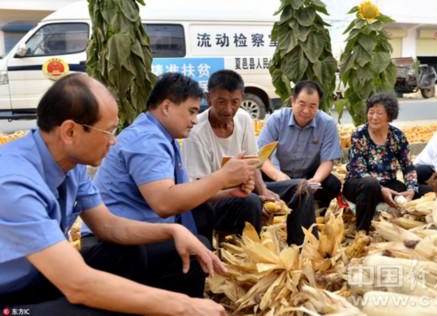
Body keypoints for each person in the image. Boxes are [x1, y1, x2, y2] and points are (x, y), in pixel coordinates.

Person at [0, 73, 227, 315]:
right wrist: (183, 306)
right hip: (11, 296)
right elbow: (78, 285)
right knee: (95, 309)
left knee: (136, 253)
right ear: (70, 132)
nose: (114, 141)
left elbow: (107, 226)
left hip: (43, 277)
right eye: (108, 131)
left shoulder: (71, 165)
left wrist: (173, 230)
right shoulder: (13, 184)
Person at [83, 72, 258, 243]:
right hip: (118, 238)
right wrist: (223, 177)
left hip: (146, 228)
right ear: (166, 107)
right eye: (191, 112)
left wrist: (229, 191)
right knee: (196, 253)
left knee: (240, 203)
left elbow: (183, 191)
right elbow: (165, 204)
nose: (195, 120)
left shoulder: (163, 137)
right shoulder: (146, 140)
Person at [181, 70, 317, 245]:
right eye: (221, 102)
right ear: (208, 98)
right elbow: (198, 190)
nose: (228, 109)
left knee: (301, 188)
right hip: (213, 200)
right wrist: (248, 195)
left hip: (245, 189)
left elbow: (253, 163)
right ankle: (249, 257)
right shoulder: (196, 132)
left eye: (235, 102)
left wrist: (263, 191)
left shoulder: (243, 118)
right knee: (251, 201)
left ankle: (303, 249)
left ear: (242, 98)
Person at [342, 92, 430, 233]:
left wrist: (411, 189)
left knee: (425, 192)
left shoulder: (397, 136)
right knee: (370, 185)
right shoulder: (360, 134)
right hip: (359, 183)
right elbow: (358, 168)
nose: (374, 117)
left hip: (388, 183)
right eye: (371, 112)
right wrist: (381, 189)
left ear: (389, 116)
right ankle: (362, 231)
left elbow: (408, 167)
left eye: (379, 113)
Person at [257, 80, 343, 211]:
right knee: (254, 182)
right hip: (278, 176)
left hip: (308, 177)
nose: (306, 111)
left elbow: (327, 160)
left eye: (312, 106)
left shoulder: (326, 123)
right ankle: (271, 207)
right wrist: (278, 176)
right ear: (293, 101)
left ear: (318, 105)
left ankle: (315, 209)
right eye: (301, 104)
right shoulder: (277, 119)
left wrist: (316, 180)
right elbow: (262, 157)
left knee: (333, 184)